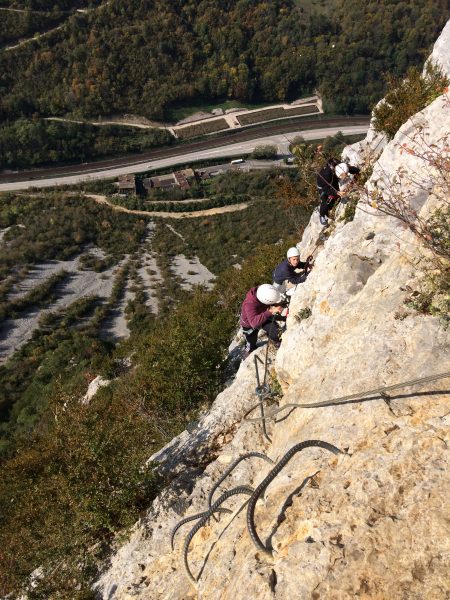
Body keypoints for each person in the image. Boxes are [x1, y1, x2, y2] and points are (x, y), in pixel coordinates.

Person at [240, 284, 285, 357]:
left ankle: (275, 340)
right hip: (249, 325)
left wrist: (282, 317)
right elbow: (254, 323)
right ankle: (248, 352)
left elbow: (269, 306)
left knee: (275, 330)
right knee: (251, 342)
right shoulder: (249, 305)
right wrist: (270, 311)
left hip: (261, 316)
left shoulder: (263, 291)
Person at [316, 157, 340, 226]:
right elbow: (325, 189)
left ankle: (332, 203)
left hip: (330, 182)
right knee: (325, 201)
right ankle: (322, 215)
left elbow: (346, 168)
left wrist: (357, 171)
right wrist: (336, 192)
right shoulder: (327, 174)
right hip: (323, 187)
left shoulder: (331, 168)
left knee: (335, 195)